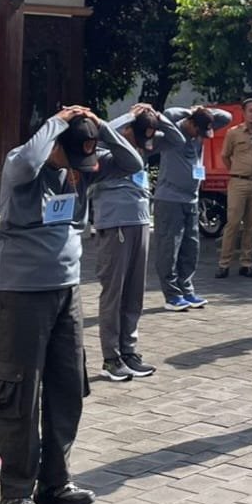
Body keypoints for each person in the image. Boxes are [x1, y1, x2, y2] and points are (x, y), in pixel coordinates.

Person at [0, 106, 142, 504]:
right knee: (20, 393)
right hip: (22, 293)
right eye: (70, 155)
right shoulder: (23, 165)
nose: (78, 169)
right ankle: (16, 490)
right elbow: (26, 161)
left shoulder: (82, 167)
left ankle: (55, 482)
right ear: (54, 143)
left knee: (67, 387)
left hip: (67, 291)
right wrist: (56, 122)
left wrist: (102, 128)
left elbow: (133, 162)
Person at [91, 103, 163, 382]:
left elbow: (174, 136)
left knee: (134, 293)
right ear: (125, 129)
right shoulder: (105, 150)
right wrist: (130, 116)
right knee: (114, 293)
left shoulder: (140, 149)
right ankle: (111, 358)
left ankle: (128, 351)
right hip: (115, 223)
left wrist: (153, 116)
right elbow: (100, 132)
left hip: (140, 221)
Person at [151, 105, 232, 312]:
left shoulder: (200, 131)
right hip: (169, 199)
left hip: (191, 199)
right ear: (191, 123)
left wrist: (202, 110)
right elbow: (168, 113)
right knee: (169, 247)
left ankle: (186, 289)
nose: (200, 136)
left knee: (191, 247)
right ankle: (172, 295)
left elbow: (227, 117)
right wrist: (189, 112)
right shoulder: (173, 130)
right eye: (199, 130)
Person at [217, 98, 252, 279]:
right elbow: (225, 156)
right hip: (238, 182)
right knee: (233, 223)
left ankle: (246, 263)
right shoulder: (233, 133)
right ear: (243, 113)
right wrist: (236, 171)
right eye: (251, 110)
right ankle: (224, 264)